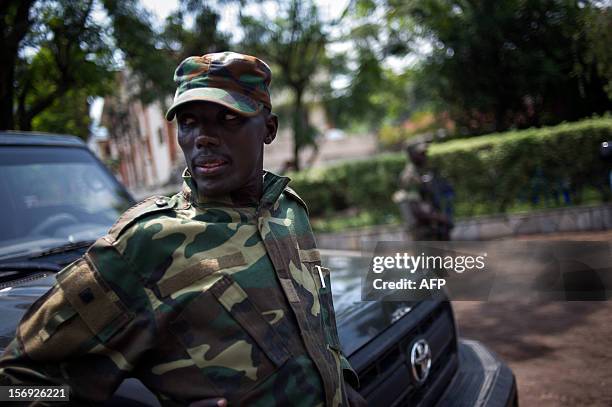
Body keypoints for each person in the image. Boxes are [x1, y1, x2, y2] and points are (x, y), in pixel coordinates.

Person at [0, 52, 365, 407]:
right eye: (189, 122)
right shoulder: (147, 243)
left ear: (268, 129)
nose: (202, 137)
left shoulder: (288, 209)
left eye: (228, 118)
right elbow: (14, 384)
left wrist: (340, 381)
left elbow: (318, 323)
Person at [393, 142, 453, 241]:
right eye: (421, 154)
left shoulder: (422, 172)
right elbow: (416, 209)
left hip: (434, 228)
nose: (425, 156)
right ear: (412, 155)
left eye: (425, 153)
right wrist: (442, 219)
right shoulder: (410, 176)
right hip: (424, 231)